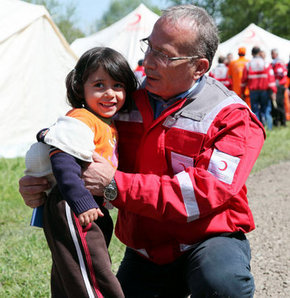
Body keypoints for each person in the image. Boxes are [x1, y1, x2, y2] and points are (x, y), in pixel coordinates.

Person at [19, 5, 266, 297]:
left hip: (209, 240)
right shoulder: (123, 99)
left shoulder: (231, 116)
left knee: (222, 285)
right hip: (148, 252)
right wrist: (43, 181)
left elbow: (203, 191)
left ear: (199, 67)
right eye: (149, 47)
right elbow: (74, 138)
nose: (147, 61)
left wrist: (114, 183)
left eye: (163, 55)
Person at [24, 47, 138, 297]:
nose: (110, 93)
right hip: (73, 203)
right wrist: (80, 201)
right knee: (93, 273)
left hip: (87, 204)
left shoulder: (104, 122)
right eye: (99, 85)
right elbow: (62, 158)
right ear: (80, 89)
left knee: (73, 272)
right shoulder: (82, 118)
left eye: (118, 85)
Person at [241, 46, 277, 130]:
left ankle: (258, 129)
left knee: (255, 110)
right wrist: (273, 91)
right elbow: (271, 79)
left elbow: (243, 81)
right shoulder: (266, 63)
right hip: (265, 91)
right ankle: (269, 128)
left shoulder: (248, 64)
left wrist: (242, 92)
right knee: (267, 109)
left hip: (253, 91)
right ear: (259, 52)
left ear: (252, 53)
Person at [271, 48, 287, 126]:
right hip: (278, 85)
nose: (271, 55)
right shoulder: (275, 63)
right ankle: (278, 121)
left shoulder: (278, 63)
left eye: (272, 54)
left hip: (280, 86)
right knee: (276, 104)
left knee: (279, 104)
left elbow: (280, 73)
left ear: (275, 54)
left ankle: (282, 121)